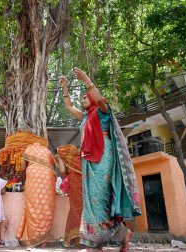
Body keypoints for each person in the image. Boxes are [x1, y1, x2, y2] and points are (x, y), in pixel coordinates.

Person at [59, 68, 141, 251]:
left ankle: (99, 239)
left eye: (85, 96)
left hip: (103, 154)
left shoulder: (102, 111)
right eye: (81, 98)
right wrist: (65, 88)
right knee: (91, 199)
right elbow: (68, 107)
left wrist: (86, 79)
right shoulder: (85, 117)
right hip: (88, 160)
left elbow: (98, 98)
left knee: (100, 197)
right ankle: (110, 236)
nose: (82, 100)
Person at [16, 143, 57, 247]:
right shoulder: (48, 152)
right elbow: (54, 165)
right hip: (49, 176)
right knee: (46, 207)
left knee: (33, 207)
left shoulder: (28, 149)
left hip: (33, 176)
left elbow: (22, 169)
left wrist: (22, 180)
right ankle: (42, 239)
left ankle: (34, 238)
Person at [55, 144, 82, 247]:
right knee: (82, 209)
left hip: (74, 182)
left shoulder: (62, 155)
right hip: (85, 181)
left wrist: (64, 178)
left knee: (75, 209)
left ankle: (77, 238)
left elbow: (62, 171)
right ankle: (84, 237)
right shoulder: (79, 157)